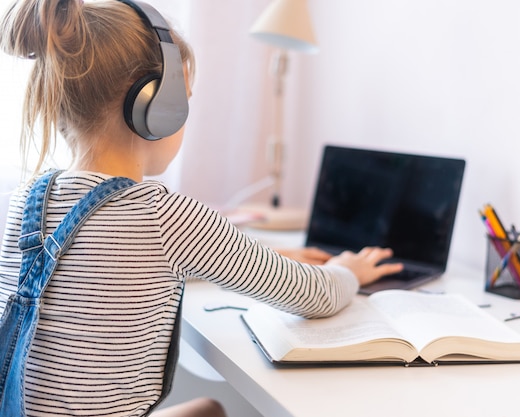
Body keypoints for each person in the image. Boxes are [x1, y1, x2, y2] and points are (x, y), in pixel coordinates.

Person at [0, 1, 403, 417]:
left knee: (208, 408)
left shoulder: (28, 198)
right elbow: (313, 295)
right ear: (156, 108)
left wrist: (273, 257)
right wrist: (348, 272)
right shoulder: (164, 216)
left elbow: (108, 273)